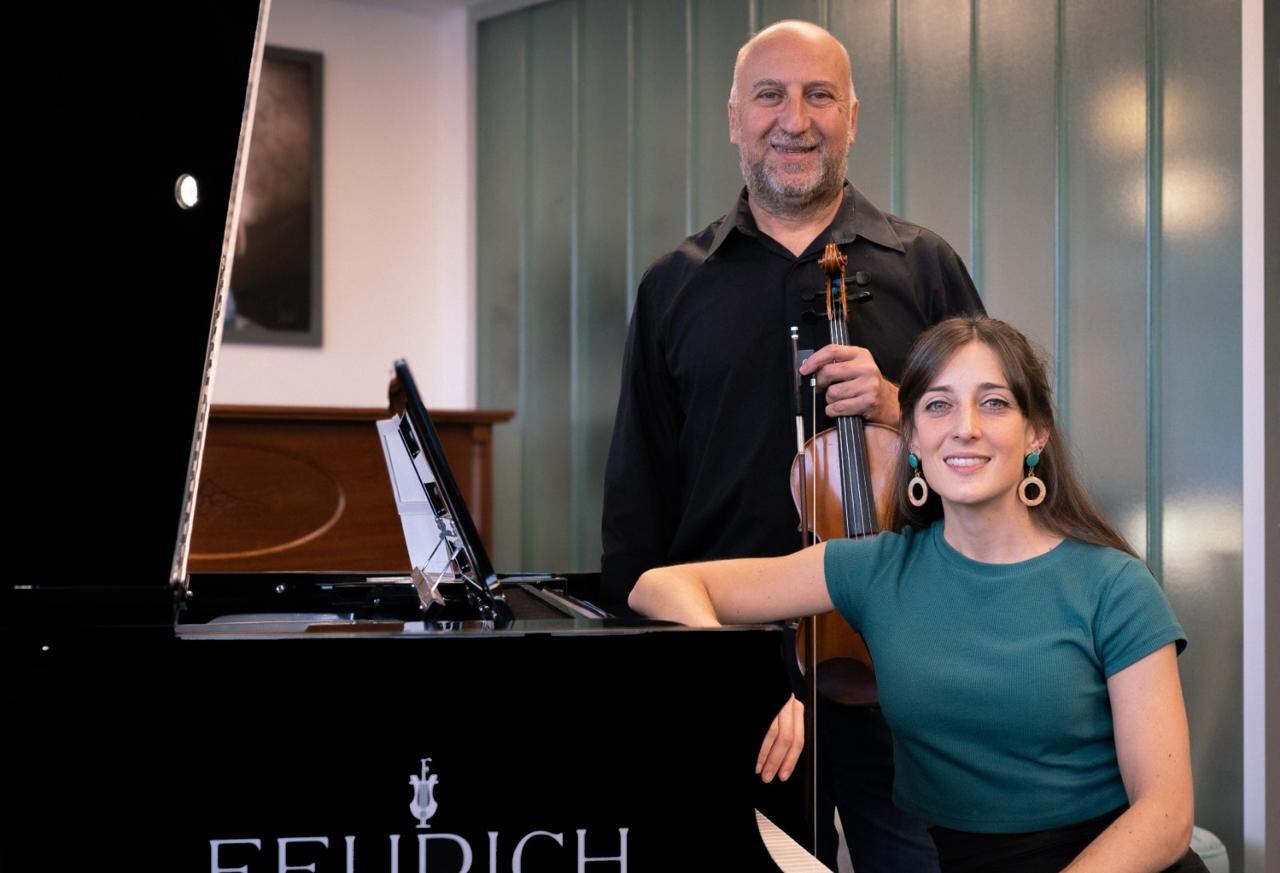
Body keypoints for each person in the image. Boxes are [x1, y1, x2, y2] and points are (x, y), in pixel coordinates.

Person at [601, 18, 981, 871]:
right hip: (733, 676)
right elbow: (637, 507)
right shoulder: (673, 288)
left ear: (853, 117)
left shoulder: (925, 269)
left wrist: (901, 407)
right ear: (735, 118)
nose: (794, 119)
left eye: (819, 96)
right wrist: (689, 677)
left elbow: (1004, 460)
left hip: (900, 675)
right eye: (769, 96)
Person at [630, 316, 1208, 873]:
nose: (965, 428)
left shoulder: (1114, 586)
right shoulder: (876, 569)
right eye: (938, 405)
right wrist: (745, 685)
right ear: (910, 436)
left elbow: (1165, 816)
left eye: (993, 403)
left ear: (1036, 433)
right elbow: (659, 585)